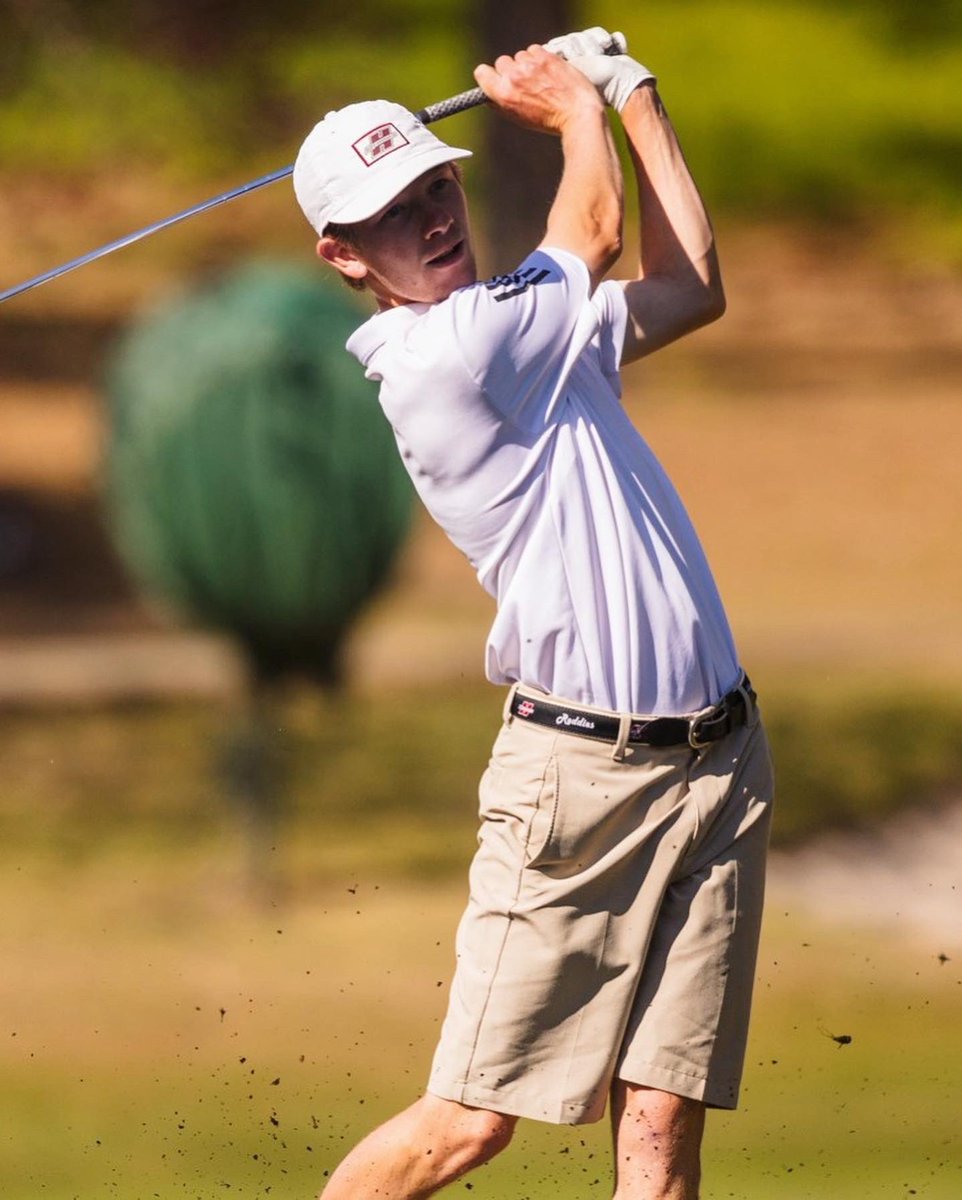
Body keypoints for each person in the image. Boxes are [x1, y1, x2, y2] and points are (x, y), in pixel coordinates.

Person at [293, 26, 774, 1200]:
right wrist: (573, 109)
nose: (432, 215)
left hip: (720, 763)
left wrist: (633, 96)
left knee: (660, 1123)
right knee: (467, 1125)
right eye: (393, 212)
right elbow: (597, 232)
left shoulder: (531, 333)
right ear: (342, 253)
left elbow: (693, 287)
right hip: (578, 785)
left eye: (435, 183)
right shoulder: (446, 357)